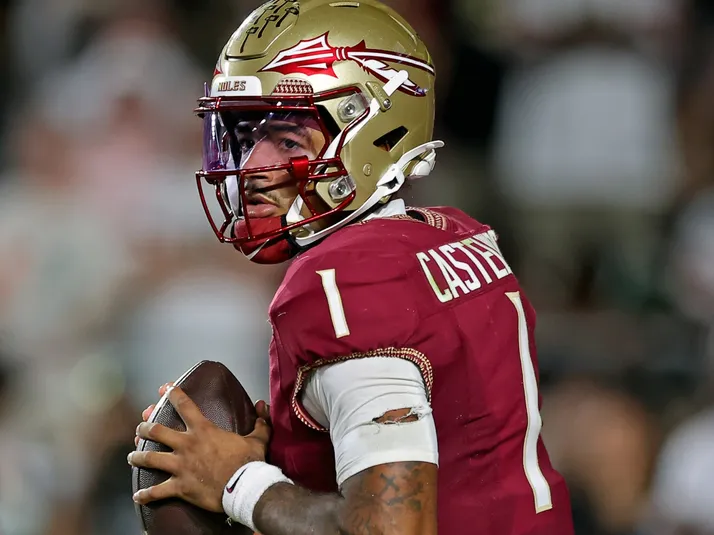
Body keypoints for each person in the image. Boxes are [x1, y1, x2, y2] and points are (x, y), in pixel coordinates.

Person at [127, 1, 575, 533]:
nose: (252, 168)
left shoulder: (345, 280)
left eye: (287, 140)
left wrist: (238, 482)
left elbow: (390, 527)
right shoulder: (455, 234)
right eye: (246, 138)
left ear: (375, 134)